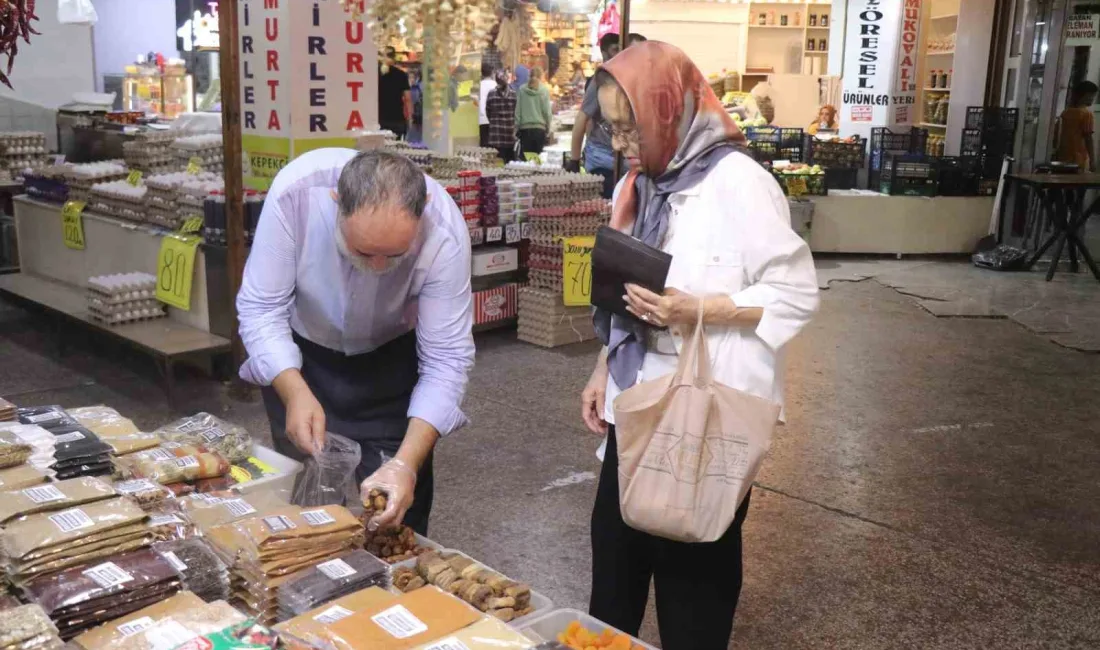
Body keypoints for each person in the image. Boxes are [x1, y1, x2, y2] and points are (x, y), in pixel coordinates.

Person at [579, 42, 819, 650]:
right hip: (634, 406)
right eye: (613, 128)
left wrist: (700, 309)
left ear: (670, 110)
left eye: (632, 126)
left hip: (705, 415)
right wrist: (602, 367)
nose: (624, 142)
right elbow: (619, 292)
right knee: (614, 571)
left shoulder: (740, 183)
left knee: (693, 586)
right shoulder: (637, 185)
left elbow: (794, 293)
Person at [237, 148, 475, 537]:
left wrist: (406, 464)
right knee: (302, 510)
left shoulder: (444, 229)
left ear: (423, 208)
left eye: (395, 255)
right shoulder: (296, 195)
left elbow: (446, 359)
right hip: (301, 359)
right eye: (363, 251)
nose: (378, 268)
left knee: (394, 518)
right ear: (336, 203)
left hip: (390, 363)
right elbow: (261, 308)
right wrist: (294, 391)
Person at [568, 33, 646, 198]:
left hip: (631, 162)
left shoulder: (645, 82)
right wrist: (574, 160)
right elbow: (583, 119)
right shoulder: (604, 81)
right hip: (602, 160)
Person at [1054, 80, 1098, 171]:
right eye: (1092, 96)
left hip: (1063, 157)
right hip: (1078, 159)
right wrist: (1092, 160)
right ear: (1086, 95)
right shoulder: (1086, 114)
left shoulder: (1065, 112)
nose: (1093, 99)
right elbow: (1088, 138)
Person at [515, 66, 552, 159]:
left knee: (527, 161)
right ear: (541, 77)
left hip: (524, 131)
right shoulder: (544, 90)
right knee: (538, 161)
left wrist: (515, 128)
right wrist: (548, 127)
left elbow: (518, 111)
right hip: (539, 130)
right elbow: (547, 112)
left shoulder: (521, 90)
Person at [378, 47, 411, 139]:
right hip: (396, 118)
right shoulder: (401, 75)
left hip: (378, 118)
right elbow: (407, 98)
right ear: (394, 57)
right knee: (396, 148)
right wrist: (409, 118)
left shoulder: (374, 73)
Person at [486, 69, 518, 163]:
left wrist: (494, 122)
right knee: (510, 164)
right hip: (509, 135)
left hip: (496, 136)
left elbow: (488, 111)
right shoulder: (514, 94)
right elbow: (516, 113)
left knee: (497, 164)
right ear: (507, 79)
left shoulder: (491, 94)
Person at [475, 61, 496, 148]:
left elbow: (474, 101)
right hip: (493, 119)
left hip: (481, 119)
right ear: (492, 73)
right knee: (492, 148)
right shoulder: (495, 85)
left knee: (483, 145)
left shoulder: (477, 85)